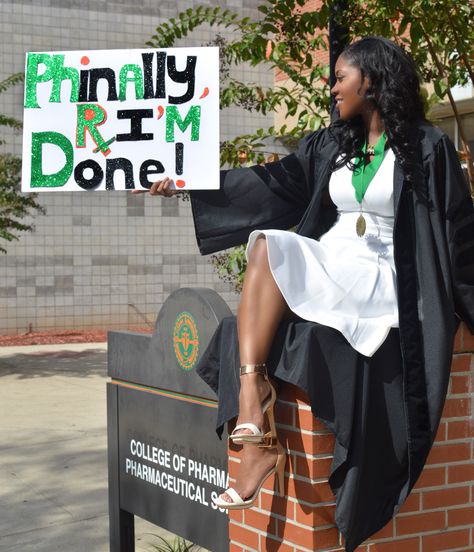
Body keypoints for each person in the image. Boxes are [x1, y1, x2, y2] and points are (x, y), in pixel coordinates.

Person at [133, 36, 474, 550]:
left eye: (341, 76)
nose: (331, 86)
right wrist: (184, 180)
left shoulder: (426, 147)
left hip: (383, 275)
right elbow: (267, 184)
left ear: (373, 79)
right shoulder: (332, 146)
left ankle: (255, 423)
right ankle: (253, 408)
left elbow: (458, 229)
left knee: (270, 252)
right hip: (334, 261)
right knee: (267, 244)